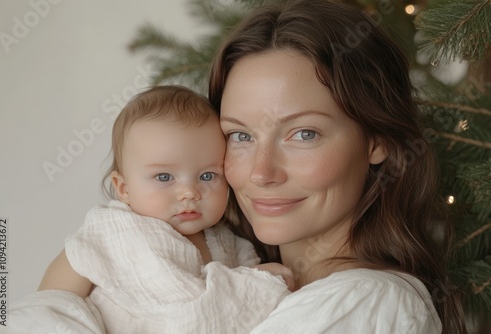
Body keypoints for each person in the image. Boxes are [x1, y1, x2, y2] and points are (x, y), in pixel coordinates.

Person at [208, 0, 467, 333]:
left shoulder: (368, 303)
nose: (261, 173)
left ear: (377, 141)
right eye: (241, 135)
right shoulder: (232, 284)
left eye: (303, 134)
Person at [37, 85, 292, 333]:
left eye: (207, 176)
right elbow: (52, 305)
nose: (190, 193)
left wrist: (259, 279)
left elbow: (248, 304)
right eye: (163, 177)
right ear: (123, 188)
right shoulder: (111, 232)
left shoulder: (232, 246)